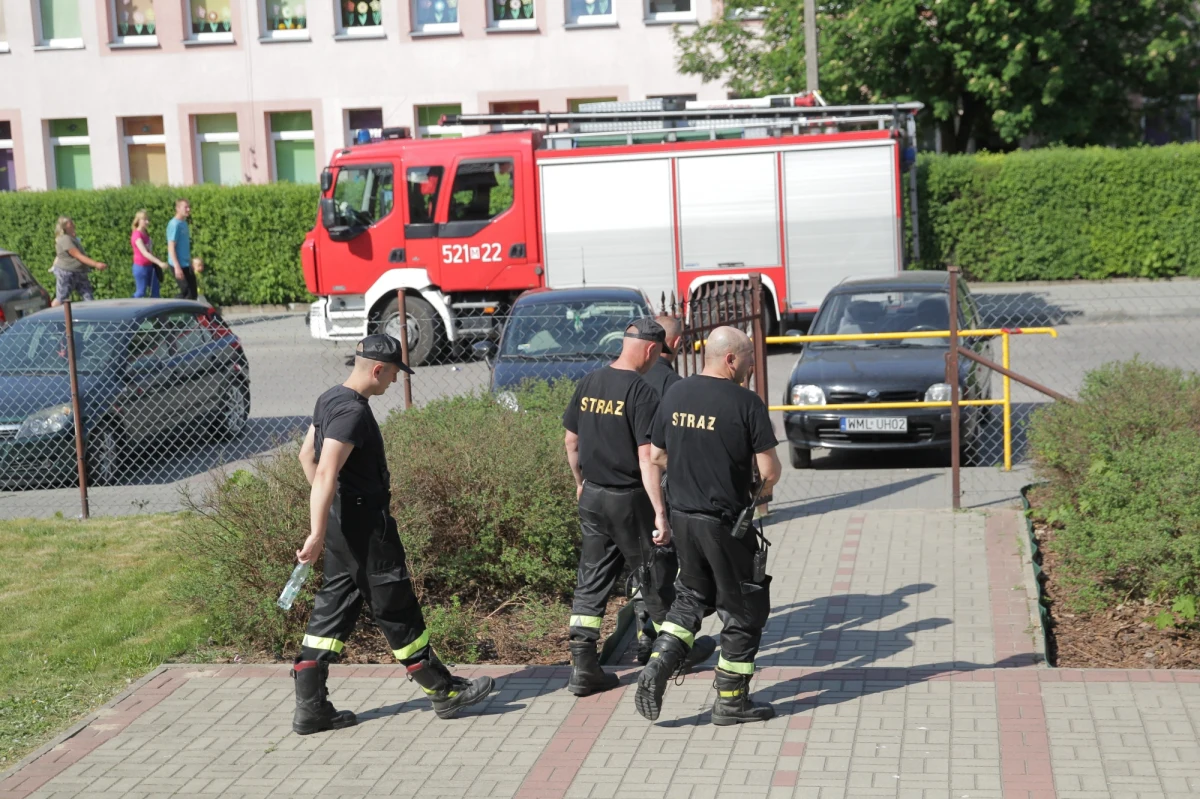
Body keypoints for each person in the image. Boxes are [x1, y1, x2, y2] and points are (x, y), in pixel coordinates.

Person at [290, 334, 494, 734]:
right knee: (395, 605)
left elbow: (305, 457)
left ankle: (311, 709)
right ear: (377, 369)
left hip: (342, 526)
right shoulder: (351, 413)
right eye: (394, 375)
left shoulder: (329, 398)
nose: (393, 383)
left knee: (333, 608)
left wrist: (331, 514)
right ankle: (444, 692)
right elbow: (326, 469)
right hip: (367, 530)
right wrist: (315, 533)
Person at [634, 326, 782, 726]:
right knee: (745, 609)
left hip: (683, 517)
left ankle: (660, 660)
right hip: (726, 524)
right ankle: (731, 702)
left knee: (691, 597)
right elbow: (770, 471)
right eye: (749, 358)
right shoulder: (746, 402)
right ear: (730, 358)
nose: (751, 365)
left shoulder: (676, 393)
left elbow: (658, 454)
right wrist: (750, 484)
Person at [562, 318, 713, 696]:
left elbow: (570, 441)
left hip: (593, 495)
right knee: (655, 572)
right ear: (650, 349)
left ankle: (583, 667)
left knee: (592, 576)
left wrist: (580, 484)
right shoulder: (641, 392)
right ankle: (674, 652)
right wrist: (660, 513)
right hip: (628, 499)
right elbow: (648, 459)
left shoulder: (589, 381)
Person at [630, 314, 685, 663]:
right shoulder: (673, 384)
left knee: (636, 561)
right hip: (657, 481)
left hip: (622, 483)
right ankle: (664, 637)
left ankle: (642, 630)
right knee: (660, 559)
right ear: (676, 344)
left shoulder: (625, 376)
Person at [49, 217, 107, 307]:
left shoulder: (71, 238)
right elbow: (78, 255)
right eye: (70, 223)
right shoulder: (65, 239)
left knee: (88, 296)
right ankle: (49, 316)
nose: (73, 224)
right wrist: (96, 264)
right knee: (61, 298)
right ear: (65, 226)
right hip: (66, 273)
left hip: (79, 272)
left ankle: (91, 314)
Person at [130, 209, 168, 298]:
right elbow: (144, 253)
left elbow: (149, 251)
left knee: (155, 291)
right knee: (141, 292)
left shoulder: (146, 233)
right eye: (145, 220)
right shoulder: (137, 235)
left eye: (148, 219)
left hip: (150, 266)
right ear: (138, 220)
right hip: (140, 267)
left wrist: (156, 258)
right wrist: (159, 263)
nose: (147, 222)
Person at [166, 199, 197, 300]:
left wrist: (189, 262)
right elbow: (171, 247)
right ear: (178, 208)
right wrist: (177, 267)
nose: (188, 209)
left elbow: (183, 246)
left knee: (193, 293)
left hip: (186, 264)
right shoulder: (174, 225)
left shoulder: (183, 223)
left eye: (189, 207)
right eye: (185, 207)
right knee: (187, 293)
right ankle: (170, 309)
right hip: (178, 264)